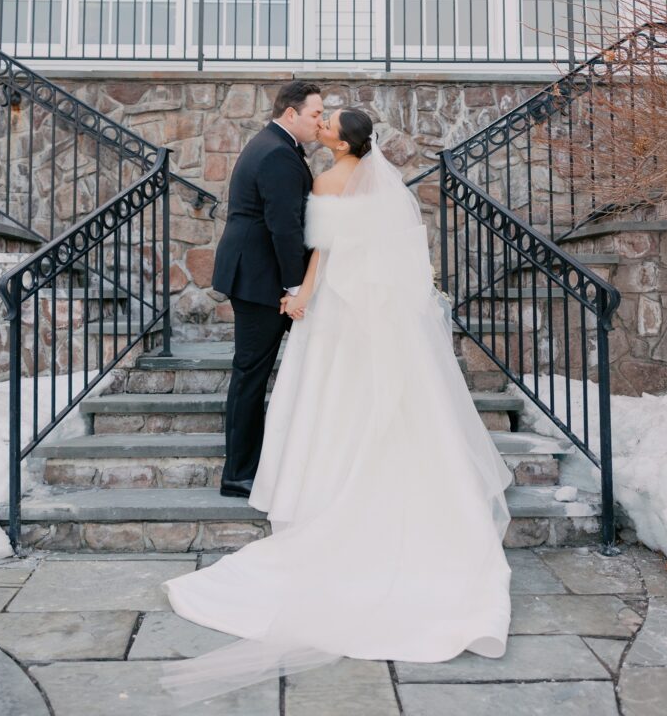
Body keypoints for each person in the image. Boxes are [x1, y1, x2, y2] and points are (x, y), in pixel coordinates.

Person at [161, 107, 514, 707]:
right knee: (381, 399)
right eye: (318, 117)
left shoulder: (326, 181)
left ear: (345, 144)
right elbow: (396, 250)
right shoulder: (383, 187)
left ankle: (326, 485)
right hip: (378, 308)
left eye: (329, 124)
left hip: (338, 307)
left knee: (328, 398)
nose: (322, 126)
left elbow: (320, 252)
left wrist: (300, 295)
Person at [211, 80, 323, 498]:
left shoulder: (276, 145)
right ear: (291, 113)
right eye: (315, 114)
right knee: (250, 374)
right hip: (260, 280)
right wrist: (296, 287)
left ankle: (265, 463)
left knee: (256, 372)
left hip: (258, 274)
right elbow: (283, 226)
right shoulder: (277, 152)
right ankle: (239, 473)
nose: (320, 122)